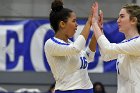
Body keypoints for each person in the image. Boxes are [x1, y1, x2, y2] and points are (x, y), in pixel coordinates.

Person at [44, 0, 103, 93]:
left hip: (88, 89)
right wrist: (89, 23)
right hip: (68, 90)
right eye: (74, 21)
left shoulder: (70, 43)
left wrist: (97, 31)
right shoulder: (51, 44)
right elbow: (75, 49)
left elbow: (89, 57)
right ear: (62, 24)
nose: (77, 25)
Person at [91, 2, 140, 93]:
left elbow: (107, 48)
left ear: (133, 20)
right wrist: (100, 30)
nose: (118, 20)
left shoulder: (138, 42)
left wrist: (94, 23)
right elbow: (106, 55)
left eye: (122, 16)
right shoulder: (125, 43)